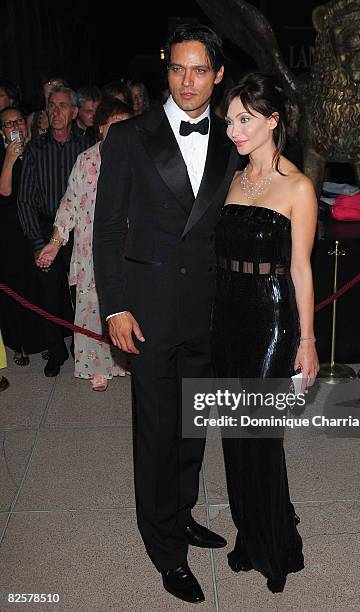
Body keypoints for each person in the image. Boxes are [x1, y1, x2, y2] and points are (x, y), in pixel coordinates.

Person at [93, 24, 239, 604]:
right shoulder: (130, 136)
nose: (187, 80)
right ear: (166, 71)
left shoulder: (234, 137)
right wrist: (115, 307)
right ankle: (163, 546)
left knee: (190, 425)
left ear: (218, 74)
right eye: (178, 69)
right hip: (148, 309)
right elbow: (105, 233)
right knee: (155, 432)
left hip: (207, 310)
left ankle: (179, 514)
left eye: (199, 69)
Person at [212, 72, 319, 593]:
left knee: (260, 439)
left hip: (272, 321)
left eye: (245, 119)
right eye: (229, 120)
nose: (233, 129)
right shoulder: (232, 178)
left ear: (273, 120)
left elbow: (301, 268)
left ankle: (276, 546)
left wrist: (307, 340)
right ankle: (248, 537)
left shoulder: (298, 186)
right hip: (226, 317)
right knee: (234, 438)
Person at [36, 98, 132, 390]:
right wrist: (55, 242)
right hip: (92, 248)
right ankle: (97, 365)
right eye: (116, 126)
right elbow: (70, 205)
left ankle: (126, 361)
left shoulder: (136, 160)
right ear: (101, 128)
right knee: (92, 307)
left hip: (130, 248)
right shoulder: (86, 161)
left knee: (129, 306)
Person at [18, 86, 94, 377]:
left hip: (80, 230)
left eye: (62, 106)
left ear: (75, 112)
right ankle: (56, 351)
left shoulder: (86, 146)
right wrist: (38, 242)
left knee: (80, 292)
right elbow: (25, 199)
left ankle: (82, 347)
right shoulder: (36, 148)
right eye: (51, 106)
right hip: (46, 227)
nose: (55, 112)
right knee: (48, 293)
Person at [0, 106, 44, 365]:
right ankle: (19, 345)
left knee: (40, 284)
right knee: (14, 286)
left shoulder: (38, 150)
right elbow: (4, 193)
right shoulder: (4, 154)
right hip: (9, 232)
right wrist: (8, 159)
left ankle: (45, 340)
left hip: (36, 226)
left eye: (18, 121)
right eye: (8, 124)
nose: (15, 127)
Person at [26, 75, 68, 140]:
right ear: (42, 87)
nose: (54, 88)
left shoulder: (69, 114)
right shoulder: (32, 118)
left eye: (59, 85)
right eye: (50, 84)